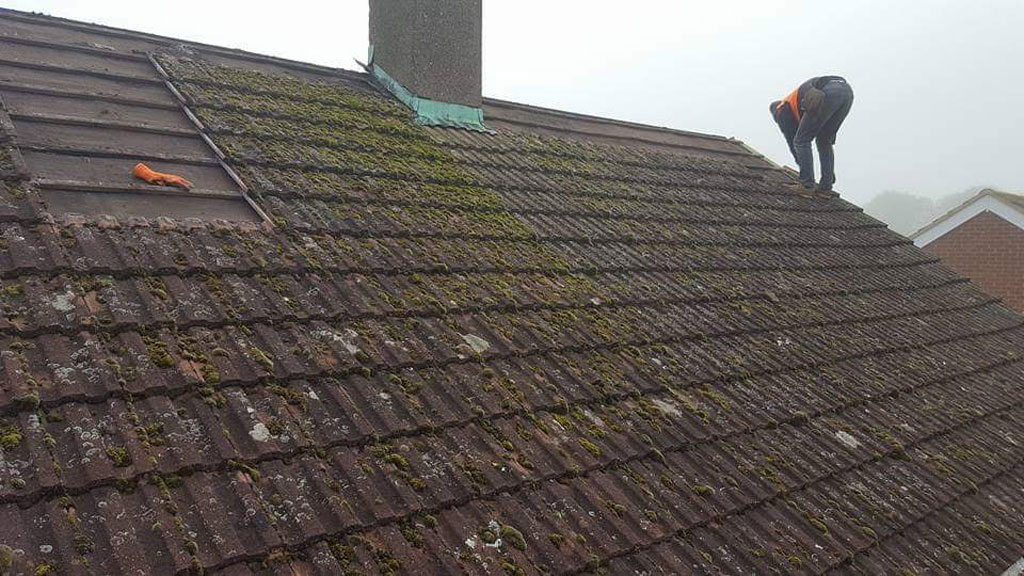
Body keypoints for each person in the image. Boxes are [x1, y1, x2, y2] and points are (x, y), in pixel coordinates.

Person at [769, 76, 854, 194]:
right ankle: (826, 187)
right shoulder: (795, 105)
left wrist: (802, 167)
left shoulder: (781, 110)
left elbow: (793, 140)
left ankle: (806, 185)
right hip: (846, 92)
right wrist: (829, 170)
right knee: (824, 141)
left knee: (801, 141)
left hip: (827, 92)